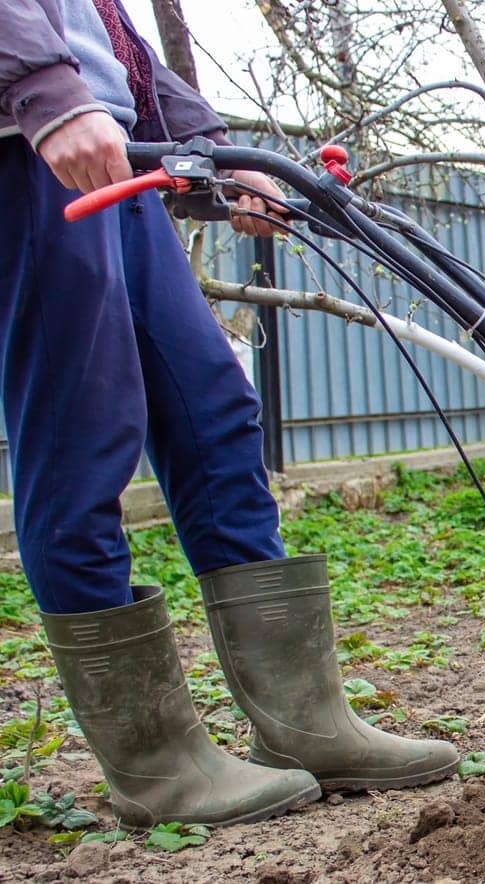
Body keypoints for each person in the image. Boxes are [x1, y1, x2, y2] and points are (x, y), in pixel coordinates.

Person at [0, 1, 458, 827]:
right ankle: (157, 768)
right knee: (82, 437)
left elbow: (110, 38)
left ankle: (304, 723)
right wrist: (40, 87)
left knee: (215, 411)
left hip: (109, 144)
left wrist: (213, 152)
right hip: (29, 151)